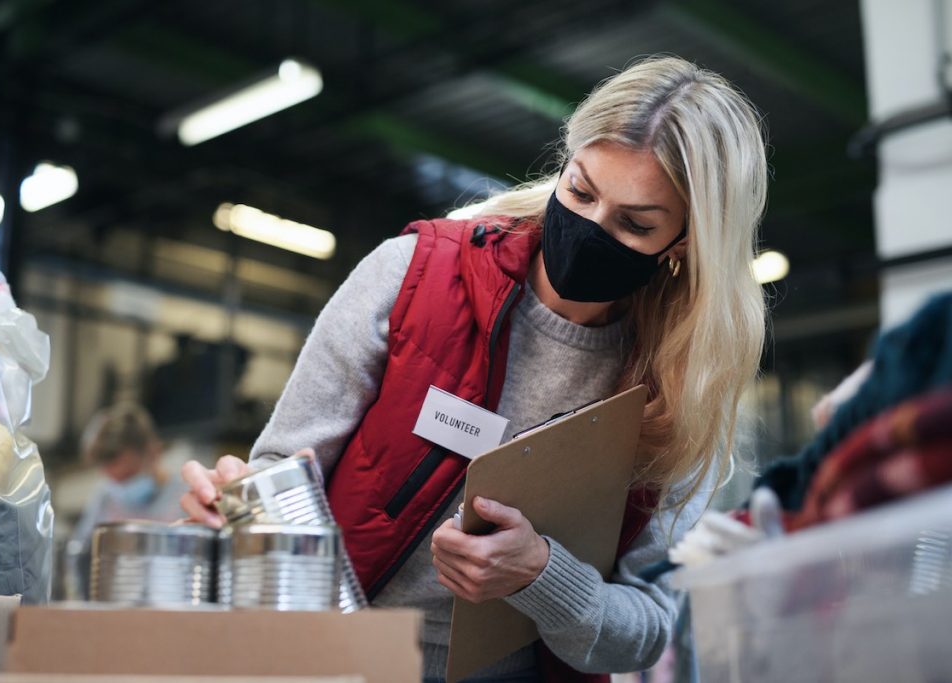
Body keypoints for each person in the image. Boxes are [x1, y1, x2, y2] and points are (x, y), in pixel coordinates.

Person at [181, 55, 768, 682]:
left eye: (634, 223)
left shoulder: (681, 387)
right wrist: (238, 507)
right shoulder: (411, 276)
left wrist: (544, 575)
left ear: (683, 243)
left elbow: (646, 630)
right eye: (580, 190)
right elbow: (281, 471)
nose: (591, 226)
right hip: (338, 659)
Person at [65, 402, 189, 599]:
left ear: (154, 452)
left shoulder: (185, 499)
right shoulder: (105, 498)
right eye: (114, 480)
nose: (120, 488)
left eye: (129, 476)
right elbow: (80, 557)